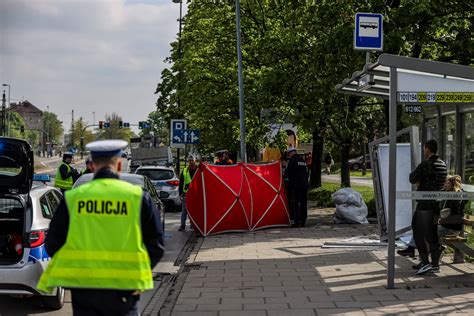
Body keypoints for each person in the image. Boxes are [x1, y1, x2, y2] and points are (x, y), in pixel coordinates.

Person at [37, 140, 164, 316]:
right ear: (119, 165)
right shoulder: (138, 198)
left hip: (84, 289)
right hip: (125, 289)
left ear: (91, 165)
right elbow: (156, 245)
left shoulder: (73, 198)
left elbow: (52, 243)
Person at [409, 139, 447, 275]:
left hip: (425, 204)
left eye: (424, 149)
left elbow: (412, 178)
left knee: (418, 231)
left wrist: (420, 181)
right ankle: (435, 264)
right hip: (437, 204)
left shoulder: (426, 164)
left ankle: (425, 262)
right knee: (432, 233)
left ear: (427, 149)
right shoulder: (443, 164)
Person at [438, 175, 466, 263]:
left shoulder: (456, 196)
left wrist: (441, 220)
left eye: (447, 182)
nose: (445, 184)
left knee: (429, 231)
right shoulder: (447, 193)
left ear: (452, 184)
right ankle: (438, 251)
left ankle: (437, 252)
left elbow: (454, 215)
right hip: (446, 225)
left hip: (451, 228)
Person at [284, 147, 308, 227]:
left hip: (296, 185)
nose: (289, 155)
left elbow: (287, 172)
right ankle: (303, 221)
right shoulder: (302, 160)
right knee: (303, 203)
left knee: (296, 203)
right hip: (304, 185)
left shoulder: (292, 160)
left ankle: (297, 222)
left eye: (289, 154)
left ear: (291, 153)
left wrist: (283, 175)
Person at [179, 155, 199, 231]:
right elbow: (181, 183)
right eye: (189, 161)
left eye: (192, 161)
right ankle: (182, 226)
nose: (191, 162)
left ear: (195, 161)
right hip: (186, 193)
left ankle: (193, 225)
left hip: (195, 193)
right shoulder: (185, 170)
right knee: (184, 210)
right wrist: (180, 193)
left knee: (194, 210)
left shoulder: (198, 170)